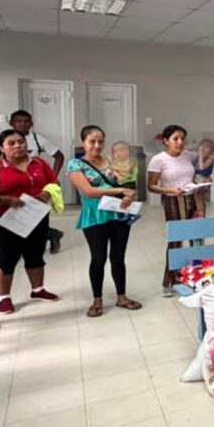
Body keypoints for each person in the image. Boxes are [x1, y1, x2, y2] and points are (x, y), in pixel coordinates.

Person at [67, 125, 141, 317]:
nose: (97, 145)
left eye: (100, 141)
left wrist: (128, 195)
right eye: (92, 141)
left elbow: (126, 184)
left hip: (118, 214)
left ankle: (122, 297)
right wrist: (120, 191)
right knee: (98, 258)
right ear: (83, 142)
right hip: (95, 216)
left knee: (118, 257)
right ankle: (97, 300)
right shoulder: (75, 165)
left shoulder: (110, 161)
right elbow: (88, 191)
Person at [0, 129, 61, 315]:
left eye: (21, 142)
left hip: (36, 216)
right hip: (6, 219)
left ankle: (38, 289)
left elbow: (54, 183)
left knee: (35, 253)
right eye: (11, 143)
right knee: (7, 257)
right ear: (1, 148)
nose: (18, 146)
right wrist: (6, 200)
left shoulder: (38, 163)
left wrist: (47, 193)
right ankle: (4, 297)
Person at [147, 124, 197, 296]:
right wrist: (170, 190)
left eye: (182, 138)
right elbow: (151, 186)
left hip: (191, 198)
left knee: (195, 238)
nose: (180, 142)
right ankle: (170, 281)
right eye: (175, 139)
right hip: (172, 200)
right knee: (176, 240)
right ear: (166, 141)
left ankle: (192, 276)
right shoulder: (159, 159)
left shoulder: (188, 155)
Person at [9, 110, 66, 254]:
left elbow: (59, 155)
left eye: (26, 121)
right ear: (11, 123)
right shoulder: (5, 137)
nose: (22, 124)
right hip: (12, 180)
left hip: (34, 181)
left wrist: (52, 177)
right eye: (18, 121)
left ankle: (50, 235)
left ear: (31, 124)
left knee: (34, 216)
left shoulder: (37, 139)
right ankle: (51, 234)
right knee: (16, 217)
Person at [191, 138, 214, 219]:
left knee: (198, 195)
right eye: (202, 148)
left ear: (211, 151)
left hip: (203, 179)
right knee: (196, 196)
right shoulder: (197, 157)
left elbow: (201, 167)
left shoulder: (210, 159)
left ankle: (200, 211)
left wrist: (201, 156)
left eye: (206, 149)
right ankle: (199, 210)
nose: (203, 151)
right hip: (196, 179)